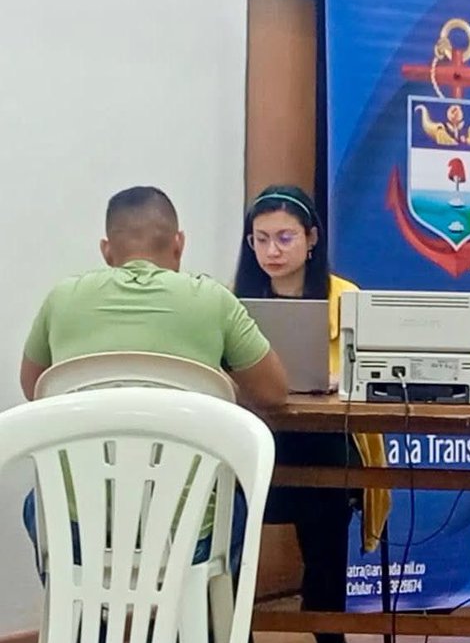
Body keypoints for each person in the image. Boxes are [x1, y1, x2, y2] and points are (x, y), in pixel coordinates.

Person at [20, 186, 288, 570]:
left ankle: (78, 622)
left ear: (106, 250)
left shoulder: (61, 300)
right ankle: (209, 627)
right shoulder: (213, 301)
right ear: (178, 244)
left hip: (78, 533)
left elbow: (35, 389)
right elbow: (275, 392)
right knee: (235, 502)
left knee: (40, 502)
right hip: (189, 534)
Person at [234, 185, 389, 643]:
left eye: (284, 238)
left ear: (312, 238)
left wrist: (341, 382)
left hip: (323, 436)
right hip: (256, 439)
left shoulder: (346, 297)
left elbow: (370, 377)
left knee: (327, 495)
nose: (272, 251)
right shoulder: (232, 302)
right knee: (224, 499)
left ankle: (327, 631)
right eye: (261, 239)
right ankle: (234, 638)